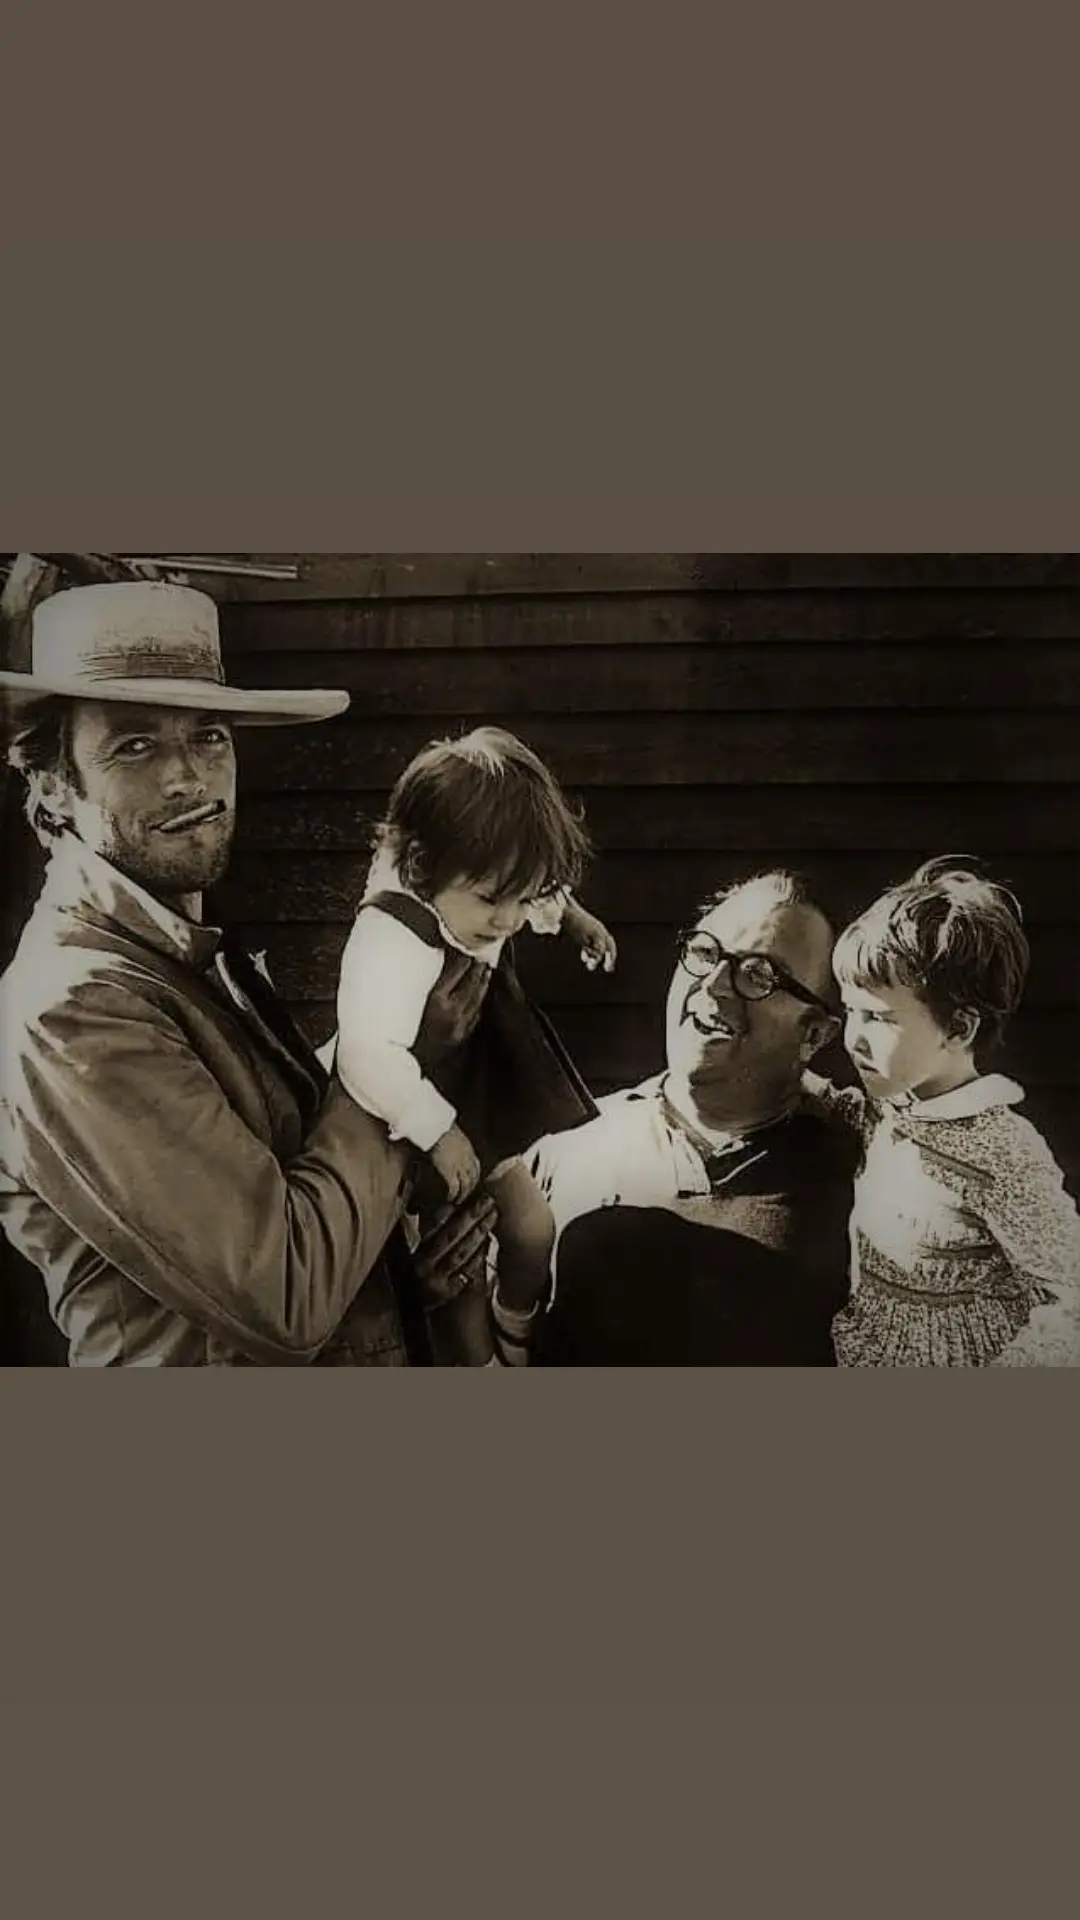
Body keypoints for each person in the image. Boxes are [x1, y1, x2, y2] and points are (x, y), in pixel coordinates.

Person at [0, 580, 496, 1366]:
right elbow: (288, 1292)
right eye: (135, 745)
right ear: (56, 787)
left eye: (210, 736)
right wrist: (403, 1064)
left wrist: (392, 1284)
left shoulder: (182, 956)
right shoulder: (73, 1009)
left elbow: (278, 1212)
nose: (188, 779)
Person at [333, 725, 617, 1364]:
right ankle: (477, 1363)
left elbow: (529, 889)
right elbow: (366, 1053)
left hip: (471, 1097)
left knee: (532, 1228)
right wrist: (438, 1130)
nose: (511, 920)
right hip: (400, 1120)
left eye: (525, 898)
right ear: (419, 865)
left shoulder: (484, 889)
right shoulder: (391, 935)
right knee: (452, 1265)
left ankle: (515, 1328)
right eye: (493, 900)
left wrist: (572, 918)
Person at [526, 871, 859, 1365]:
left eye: (759, 974)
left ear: (815, 1035)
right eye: (706, 953)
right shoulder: (565, 1151)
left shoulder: (869, 1171)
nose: (714, 983)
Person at [804, 857, 1080, 1366]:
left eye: (880, 1018)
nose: (854, 1037)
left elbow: (1071, 1296)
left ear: (959, 1028)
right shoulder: (894, 1107)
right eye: (850, 1011)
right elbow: (861, 1118)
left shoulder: (1004, 1149)